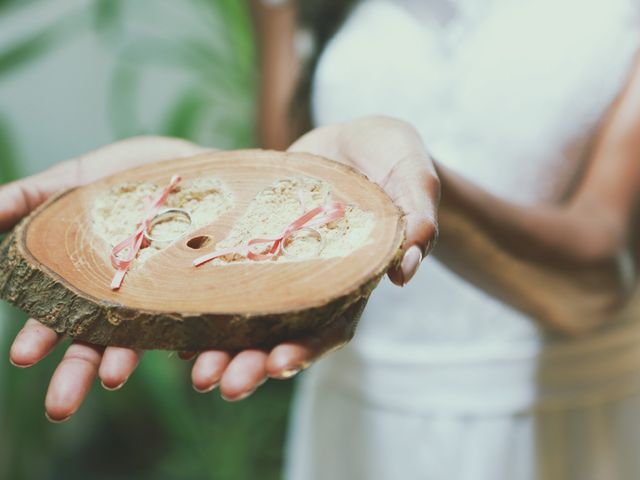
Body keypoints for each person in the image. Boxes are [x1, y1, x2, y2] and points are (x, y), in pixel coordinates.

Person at [1, 0, 640, 479]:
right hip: (356, 417)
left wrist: (408, 189)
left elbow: (596, 276)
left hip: (564, 422)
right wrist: (197, 181)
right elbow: (288, 168)